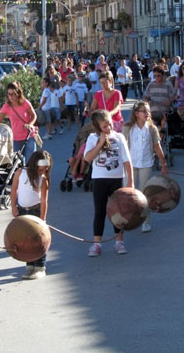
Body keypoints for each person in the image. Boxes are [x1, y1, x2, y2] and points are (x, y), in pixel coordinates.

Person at [83, 109, 133, 256]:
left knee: (117, 211)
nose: (109, 128)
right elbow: (87, 158)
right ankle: (97, 244)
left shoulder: (119, 137)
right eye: (105, 126)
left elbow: (126, 160)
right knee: (100, 211)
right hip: (99, 179)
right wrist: (100, 143)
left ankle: (119, 241)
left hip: (116, 179)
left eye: (110, 124)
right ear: (98, 127)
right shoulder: (92, 138)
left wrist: (131, 182)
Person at [122, 101, 167, 233]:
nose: (147, 114)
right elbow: (123, 147)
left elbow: (157, 147)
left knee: (144, 193)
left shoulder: (152, 129)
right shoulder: (128, 127)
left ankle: (146, 220)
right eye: (144, 111)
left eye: (148, 111)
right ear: (136, 114)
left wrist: (163, 164)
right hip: (130, 164)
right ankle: (128, 218)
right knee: (129, 192)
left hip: (146, 164)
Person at [11, 150, 52, 279]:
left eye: (45, 170)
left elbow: (44, 200)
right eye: (40, 170)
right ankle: (29, 264)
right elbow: (14, 189)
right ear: (34, 166)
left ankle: (40, 266)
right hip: (23, 210)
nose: (42, 173)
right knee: (26, 238)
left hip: (36, 210)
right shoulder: (20, 173)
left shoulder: (43, 179)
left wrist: (43, 218)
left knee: (38, 239)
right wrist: (13, 206)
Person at [0, 81, 37, 163]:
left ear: (18, 93)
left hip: (29, 136)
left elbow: (34, 116)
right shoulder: (6, 106)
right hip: (15, 138)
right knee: (17, 163)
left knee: (30, 162)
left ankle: (30, 175)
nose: (11, 96)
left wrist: (29, 124)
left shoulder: (25, 103)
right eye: (9, 94)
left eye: (13, 94)